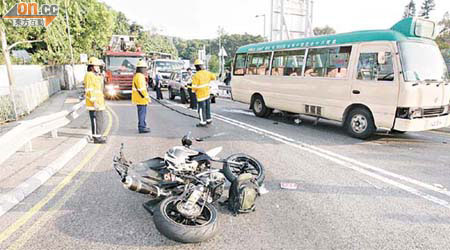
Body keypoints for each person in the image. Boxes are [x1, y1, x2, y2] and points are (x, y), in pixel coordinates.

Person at [84, 57, 106, 144]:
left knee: (100, 120)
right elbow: (90, 90)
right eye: (97, 66)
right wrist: (94, 102)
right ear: (92, 66)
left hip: (99, 103)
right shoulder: (89, 75)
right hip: (94, 104)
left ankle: (99, 136)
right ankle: (96, 138)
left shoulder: (94, 76)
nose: (98, 68)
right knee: (96, 121)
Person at [191, 59, 216, 127]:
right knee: (207, 107)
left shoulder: (196, 75)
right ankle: (208, 119)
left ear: (196, 67)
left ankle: (203, 122)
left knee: (201, 109)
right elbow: (214, 77)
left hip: (200, 95)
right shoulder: (207, 73)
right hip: (207, 93)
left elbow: (194, 87)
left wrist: (193, 91)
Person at [132, 60, 151, 133]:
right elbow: (142, 89)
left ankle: (143, 125)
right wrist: (147, 98)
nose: (146, 70)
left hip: (139, 98)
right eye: (145, 68)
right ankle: (142, 127)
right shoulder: (140, 76)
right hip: (141, 98)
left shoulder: (137, 75)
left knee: (141, 113)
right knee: (142, 113)